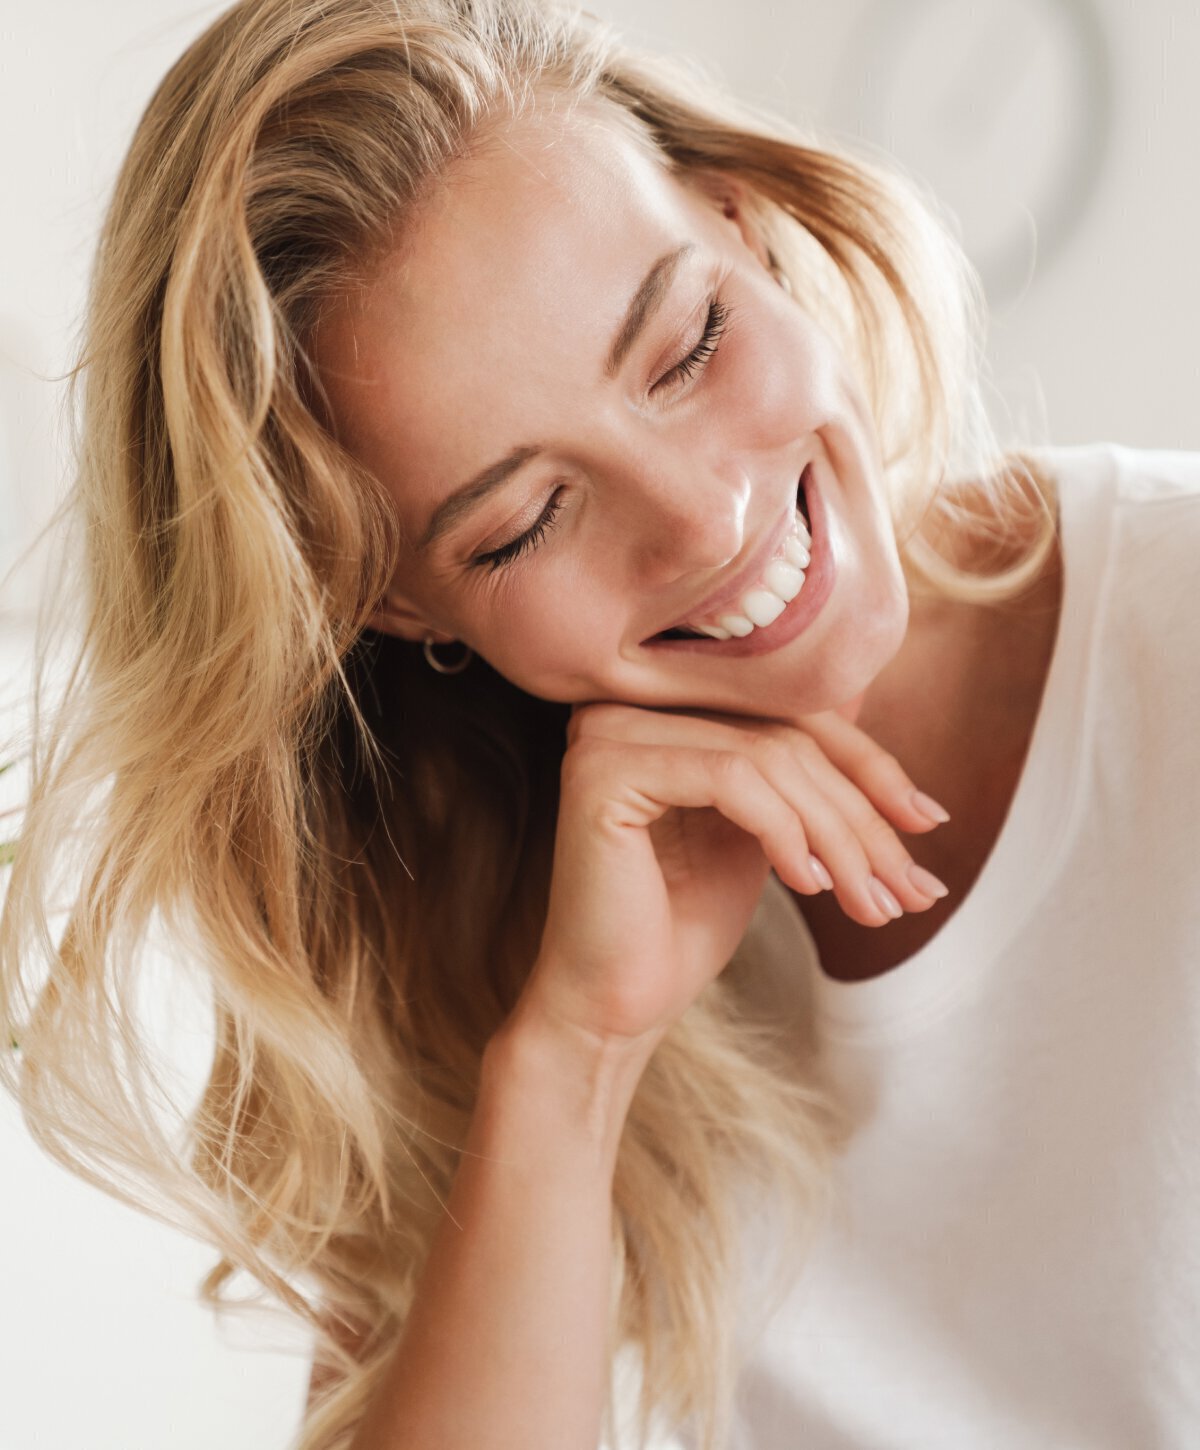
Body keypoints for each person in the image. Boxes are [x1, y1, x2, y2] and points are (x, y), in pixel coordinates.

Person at [2, 0, 1197, 1447]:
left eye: (688, 343)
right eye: (525, 521)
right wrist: (572, 1059)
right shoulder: (467, 959)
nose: (702, 513)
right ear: (403, 610)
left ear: (744, 226)